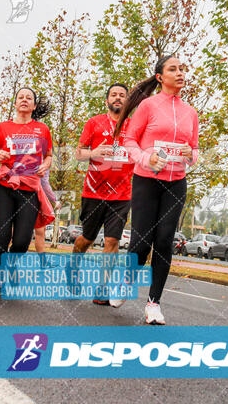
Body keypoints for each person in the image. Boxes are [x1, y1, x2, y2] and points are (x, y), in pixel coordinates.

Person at [110, 55, 199, 325]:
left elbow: (194, 151)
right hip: (147, 181)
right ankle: (126, 280)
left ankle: (153, 303)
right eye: (173, 69)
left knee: (163, 242)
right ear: (160, 77)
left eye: (182, 68)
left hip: (176, 183)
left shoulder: (191, 112)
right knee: (141, 242)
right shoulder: (148, 106)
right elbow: (129, 141)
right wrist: (146, 158)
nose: (180, 73)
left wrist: (189, 154)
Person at [0, 88, 55, 296]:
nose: (24, 100)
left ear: (34, 106)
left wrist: (45, 165)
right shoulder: (3, 128)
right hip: (4, 186)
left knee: (23, 240)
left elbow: (49, 155)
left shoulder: (42, 129)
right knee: (2, 236)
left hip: (29, 188)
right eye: (20, 97)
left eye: (29, 98)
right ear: (15, 104)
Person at [74, 83, 135, 305]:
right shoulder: (94, 122)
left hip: (121, 194)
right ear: (107, 99)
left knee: (112, 240)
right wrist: (94, 152)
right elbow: (78, 154)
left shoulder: (134, 125)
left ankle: (102, 288)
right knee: (87, 239)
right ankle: (74, 264)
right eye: (114, 95)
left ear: (127, 101)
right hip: (93, 192)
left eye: (122, 95)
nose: (118, 98)